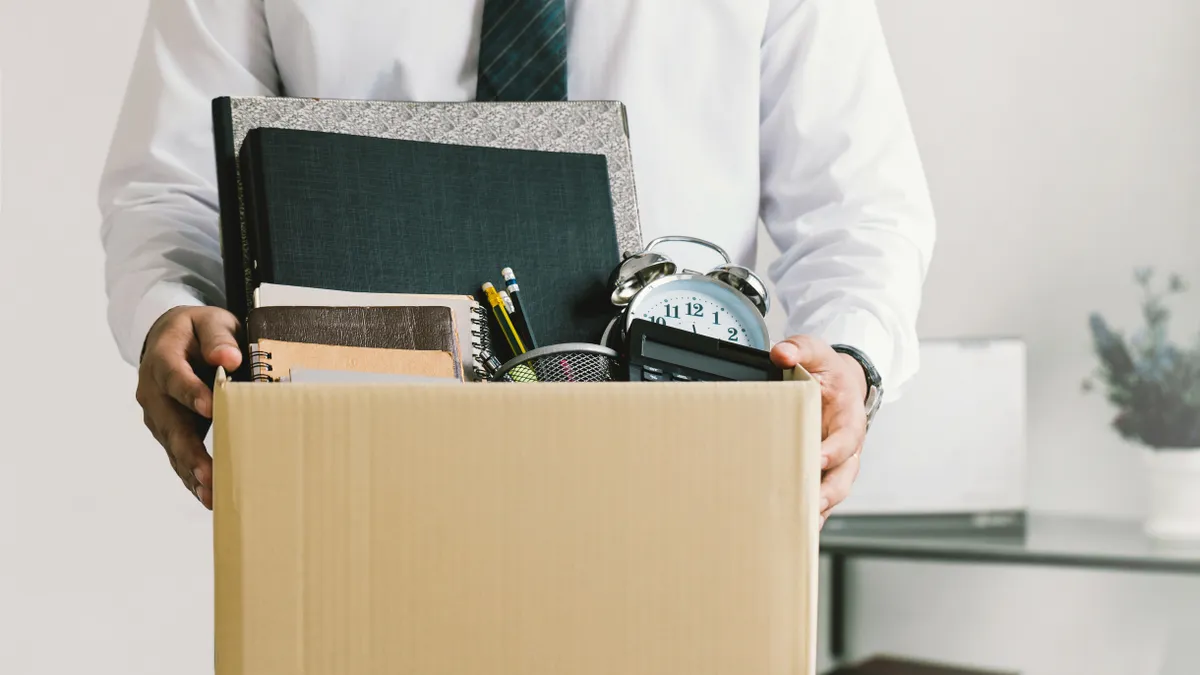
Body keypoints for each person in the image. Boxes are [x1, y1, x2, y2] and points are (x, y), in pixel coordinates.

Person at [99, 0, 936, 521]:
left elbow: (858, 207)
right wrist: (166, 309)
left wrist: (851, 358)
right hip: (360, 485)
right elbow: (172, 187)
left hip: (683, 478)